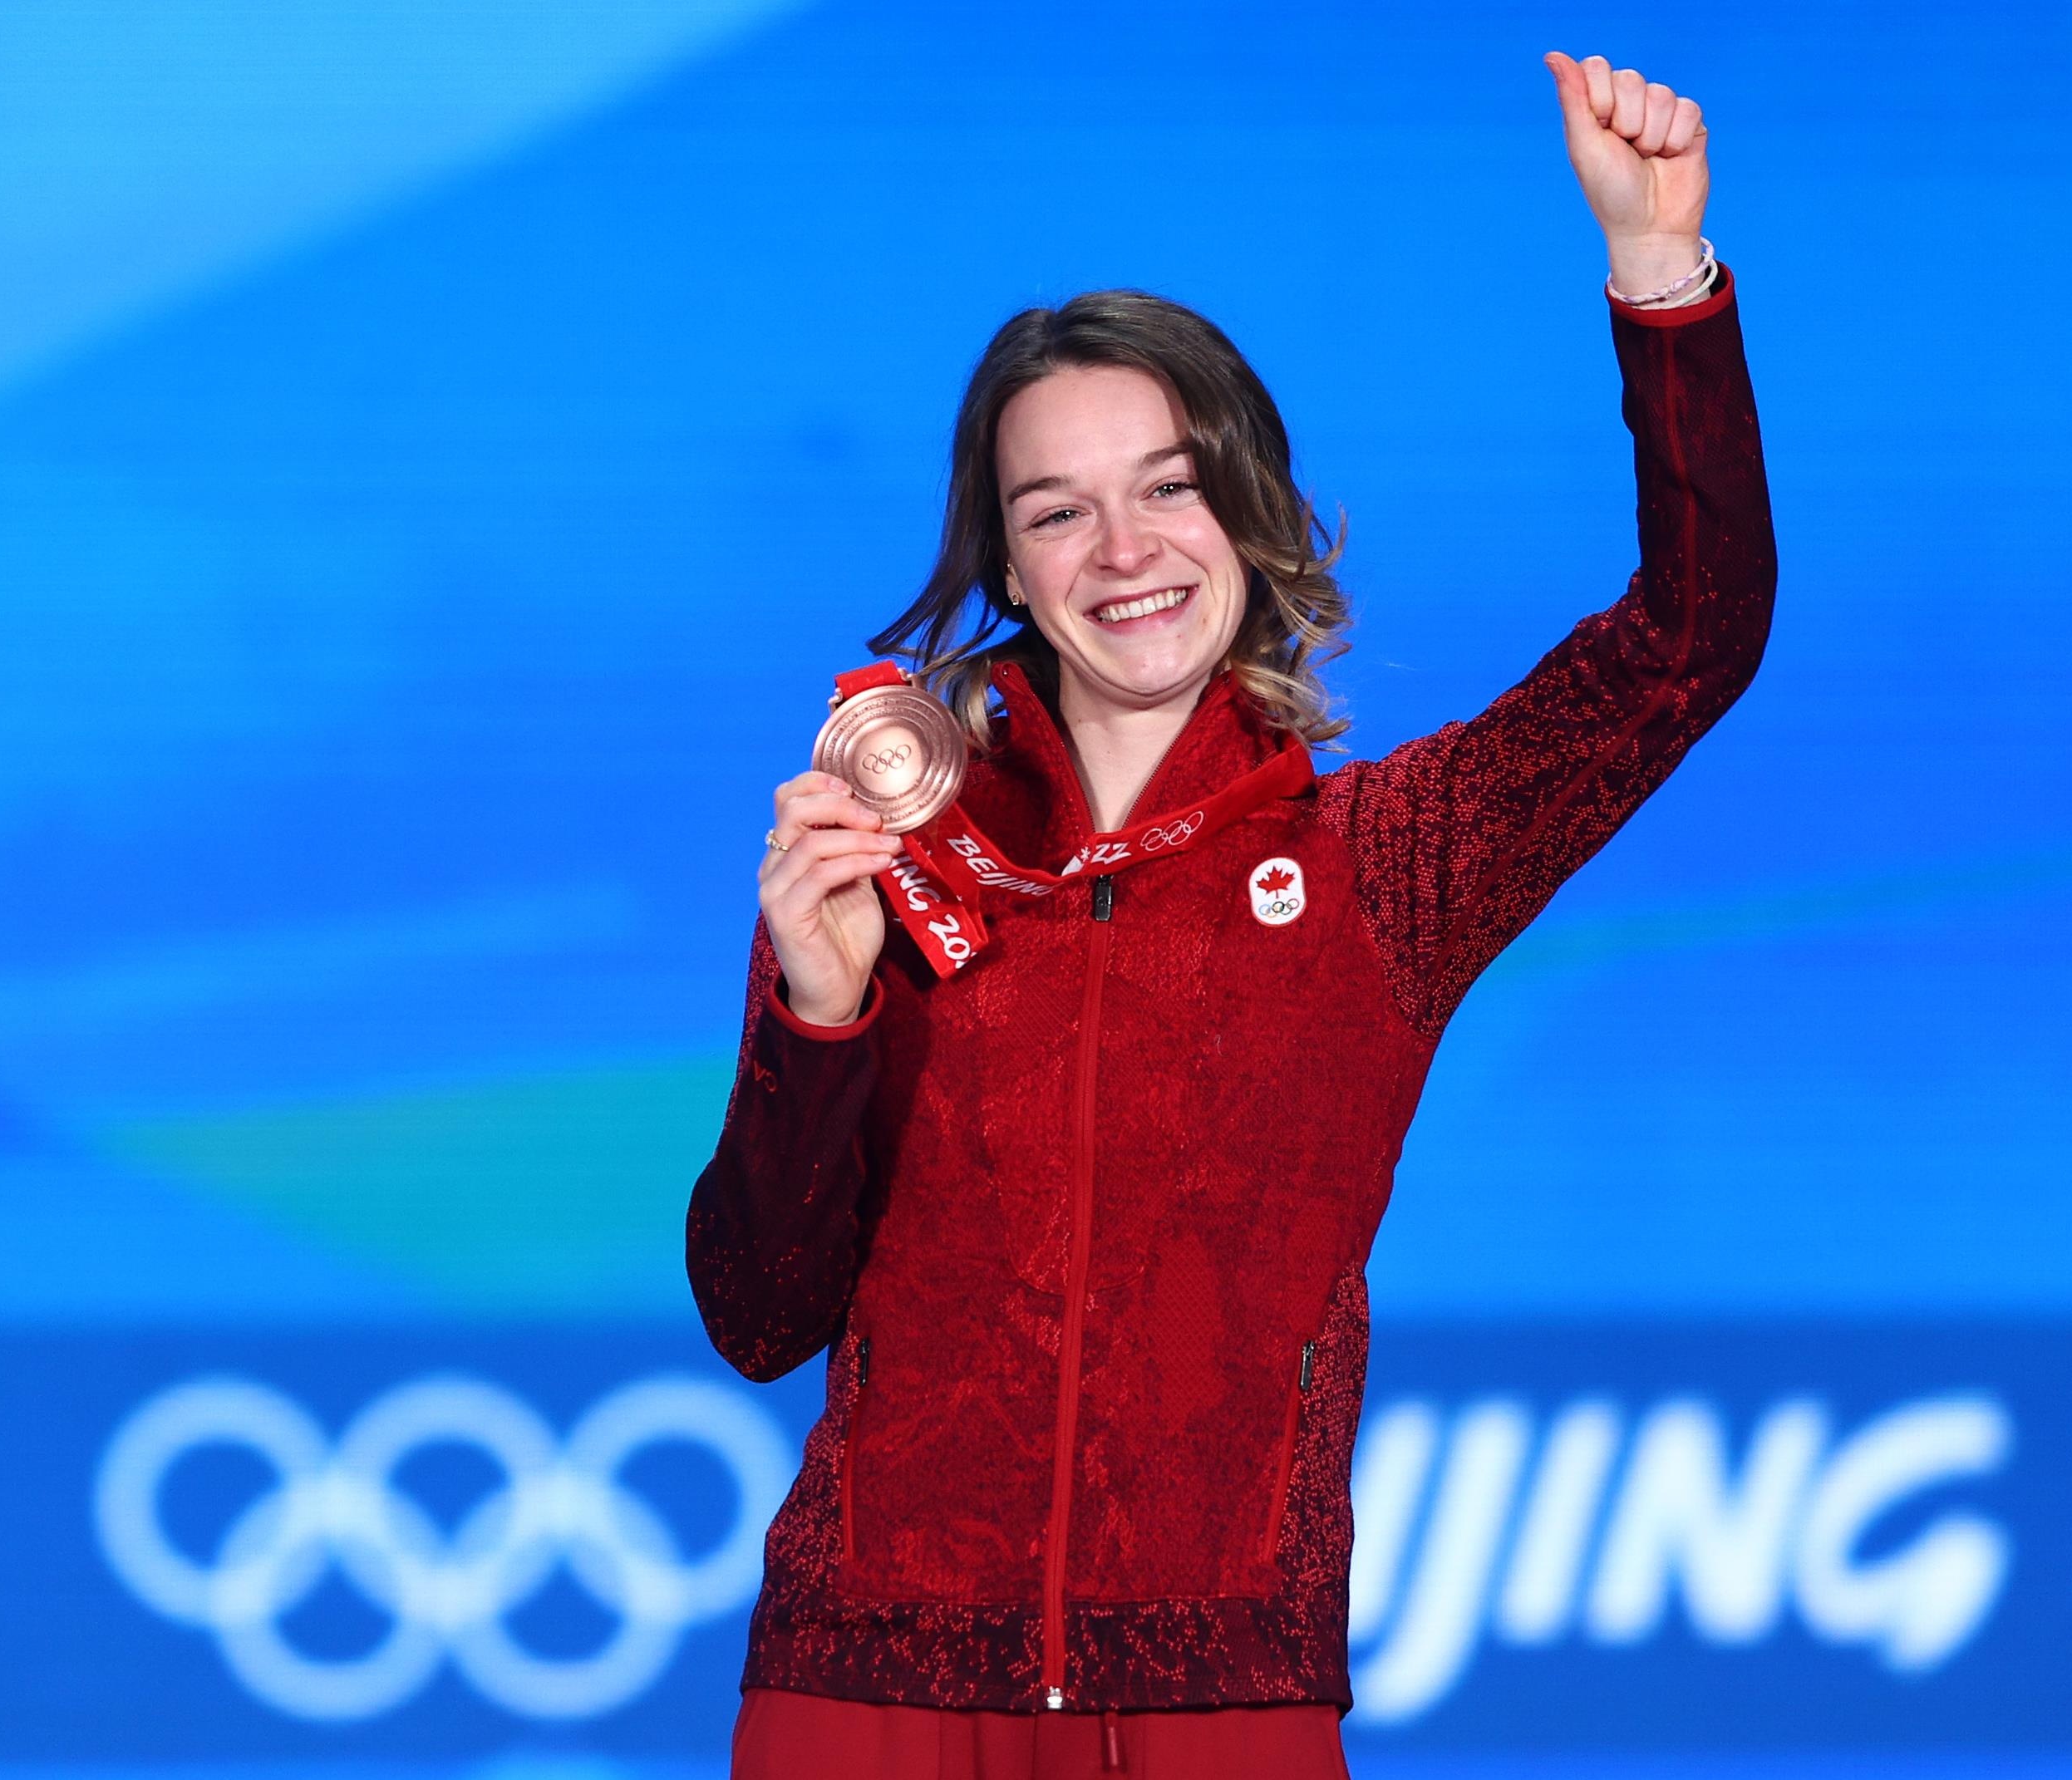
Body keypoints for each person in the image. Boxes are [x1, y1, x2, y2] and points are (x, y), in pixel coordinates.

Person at [690, 52, 1771, 1778]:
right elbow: (758, 1312)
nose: (1124, 546)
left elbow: (1688, 641)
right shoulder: (888, 859)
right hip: (859, 1699)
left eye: (1171, 484)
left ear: (1252, 514)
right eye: (1058, 510)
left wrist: (1661, 274)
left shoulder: (1390, 861)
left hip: (1221, 1711)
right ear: (1010, 565)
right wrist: (821, 1018)